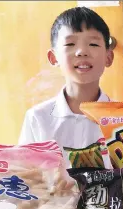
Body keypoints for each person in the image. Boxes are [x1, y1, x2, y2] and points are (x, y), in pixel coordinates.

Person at [19, 7, 114, 165]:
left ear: (108, 57)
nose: (82, 52)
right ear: (53, 57)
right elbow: (27, 176)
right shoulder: (38, 118)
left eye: (93, 44)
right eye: (70, 44)